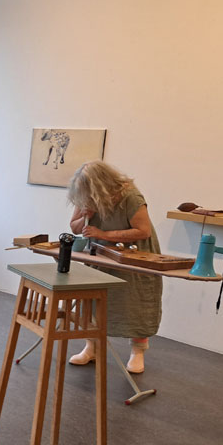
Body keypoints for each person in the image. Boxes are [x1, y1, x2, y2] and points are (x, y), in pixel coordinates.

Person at [66, 160, 162, 373]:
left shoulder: (130, 197)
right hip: (100, 255)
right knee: (93, 300)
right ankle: (91, 347)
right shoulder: (86, 195)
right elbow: (74, 227)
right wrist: (86, 216)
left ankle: (138, 352)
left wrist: (104, 234)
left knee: (135, 303)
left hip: (134, 255)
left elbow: (143, 231)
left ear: (102, 185)